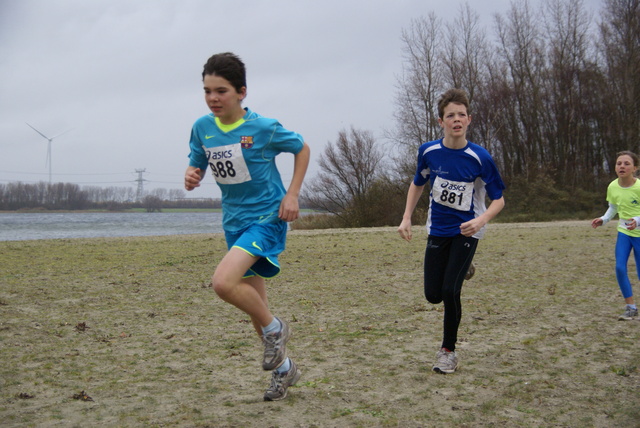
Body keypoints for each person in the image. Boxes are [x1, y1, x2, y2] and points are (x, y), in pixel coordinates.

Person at [184, 52, 310, 400]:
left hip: (267, 218)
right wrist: (191, 176)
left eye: (221, 91)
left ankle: (277, 328)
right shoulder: (202, 127)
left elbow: (302, 148)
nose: (213, 98)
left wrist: (292, 195)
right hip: (234, 223)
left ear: (241, 92)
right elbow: (197, 163)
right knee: (256, 304)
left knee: (223, 283)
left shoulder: (264, 128)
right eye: (207, 91)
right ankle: (285, 371)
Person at [397, 88, 505, 374]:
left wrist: (481, 222)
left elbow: (499, 200)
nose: (456, 120)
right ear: (440, 121)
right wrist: (407, 217)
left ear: (469, 119)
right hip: (438, 229)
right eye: (450, 115)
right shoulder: (429, 152)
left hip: (468, 232)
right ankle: (464, 268)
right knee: (433, 294)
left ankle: (448, 351)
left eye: (461, 115)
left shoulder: (480, 157)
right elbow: (418, 183)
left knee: (449, 290)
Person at [591, 150, 640, 321]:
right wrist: (603, 220)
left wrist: (637, 221)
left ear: (635, 168)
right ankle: (631, 307)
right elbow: (613, 207)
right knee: (620, 268)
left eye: (627, 163)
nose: (622, 166)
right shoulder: (612, 186)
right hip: (624, 233)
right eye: (619, 163)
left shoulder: (639, 187)